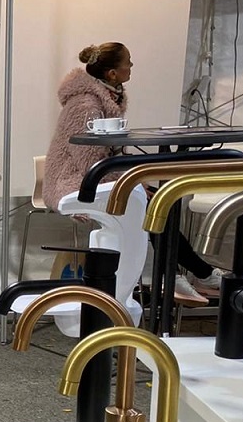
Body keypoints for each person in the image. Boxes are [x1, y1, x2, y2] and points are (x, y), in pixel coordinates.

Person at [42, 42, 227, 307]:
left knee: (159, 200)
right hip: (75, 183)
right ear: (112, 74)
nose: (131, 66)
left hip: (95, 177)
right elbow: (89, 162)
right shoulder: (85, 105)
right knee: (151, 204)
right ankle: (190, 275)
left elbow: (106, 157)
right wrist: (131, 184)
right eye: (127, 62)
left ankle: (179, 275)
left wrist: (135, 182)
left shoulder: (105, 99)